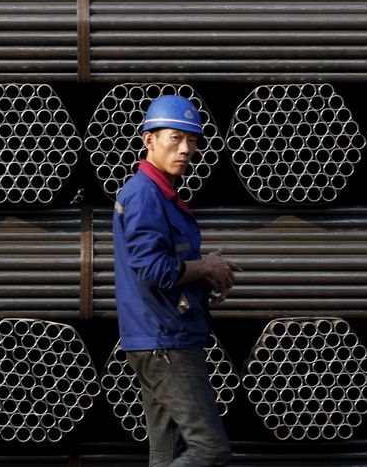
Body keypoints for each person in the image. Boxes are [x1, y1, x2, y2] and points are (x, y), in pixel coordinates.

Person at [112, 94, 241, 467]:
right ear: (148, 139)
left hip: (160, 338)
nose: (186, 149)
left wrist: (206, 271)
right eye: (174, 138)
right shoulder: (144, 195)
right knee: (208, 450)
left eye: (192, 140)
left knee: (166, 454)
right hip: (166, 343)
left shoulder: (161, 194)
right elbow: (154, 270)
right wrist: (205, 269)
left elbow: (169, 263)